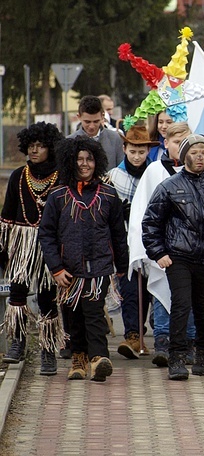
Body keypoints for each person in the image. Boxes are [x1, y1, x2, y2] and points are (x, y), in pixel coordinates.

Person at [142, 135, 204, 380]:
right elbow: (151, 222)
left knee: (203, 306)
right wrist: (159, 253)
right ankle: (177, 358)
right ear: (184, 157)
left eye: (203, 152)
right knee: (181, 305)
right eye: (193, 152)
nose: (199, 157)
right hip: (178, 257)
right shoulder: (169, 187)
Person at [39, 136, 128, 382]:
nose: (85, 164)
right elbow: (46, 234)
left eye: (89, 159)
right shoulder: (58, 196)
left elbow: (118, 233)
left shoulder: (108, 195)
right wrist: (56, 268)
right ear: (70, 162)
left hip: (99, 266)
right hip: (68, 268)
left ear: (97, 162)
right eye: (79, 159)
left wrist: (121, 264)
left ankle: (98, 358)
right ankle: (78, 357)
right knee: (73, 316)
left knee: (94, 313)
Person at [127, 122, 193, 367]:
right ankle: (163, 342)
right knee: (163, 293)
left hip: (190, 248)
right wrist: (143, 244)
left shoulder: (199, 170)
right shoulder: (155, 171)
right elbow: (142, 210)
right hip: (163, 247)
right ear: (166, 143)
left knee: (188, 296)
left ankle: (187, 341)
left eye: (185, 142)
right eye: (176, 142)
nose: (180, 147)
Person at [1, 122, 64, 375]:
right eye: (31, 146)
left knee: (48, 297)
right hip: (22, 242)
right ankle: (18, 342)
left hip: (49, 242)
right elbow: (6, 215)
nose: (35, 151)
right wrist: (4, 248)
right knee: (17, 292)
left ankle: (48, 352)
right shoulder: (18, 175)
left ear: (51, 148)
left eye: (40, 146)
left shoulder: (61, 176)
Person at [106, 125, 159, 359]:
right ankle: (132, 334)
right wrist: (120, 212)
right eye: (133, 151)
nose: (137, 156)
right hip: (124, 240)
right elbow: (106, 209)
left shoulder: (154, 174)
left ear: (148, 151)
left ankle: (143, 331)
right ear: (125, 149)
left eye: (141, 151)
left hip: (150, 240)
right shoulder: (114, 176)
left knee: (146, 289)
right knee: (129, 287)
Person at [69, 95, 124, 168]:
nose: (92, 126)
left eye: (96, 121)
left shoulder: (115, 139)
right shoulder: (70, 142)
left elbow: (121, 171)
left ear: (102, 116)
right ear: (79, 117)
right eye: (87, 122)